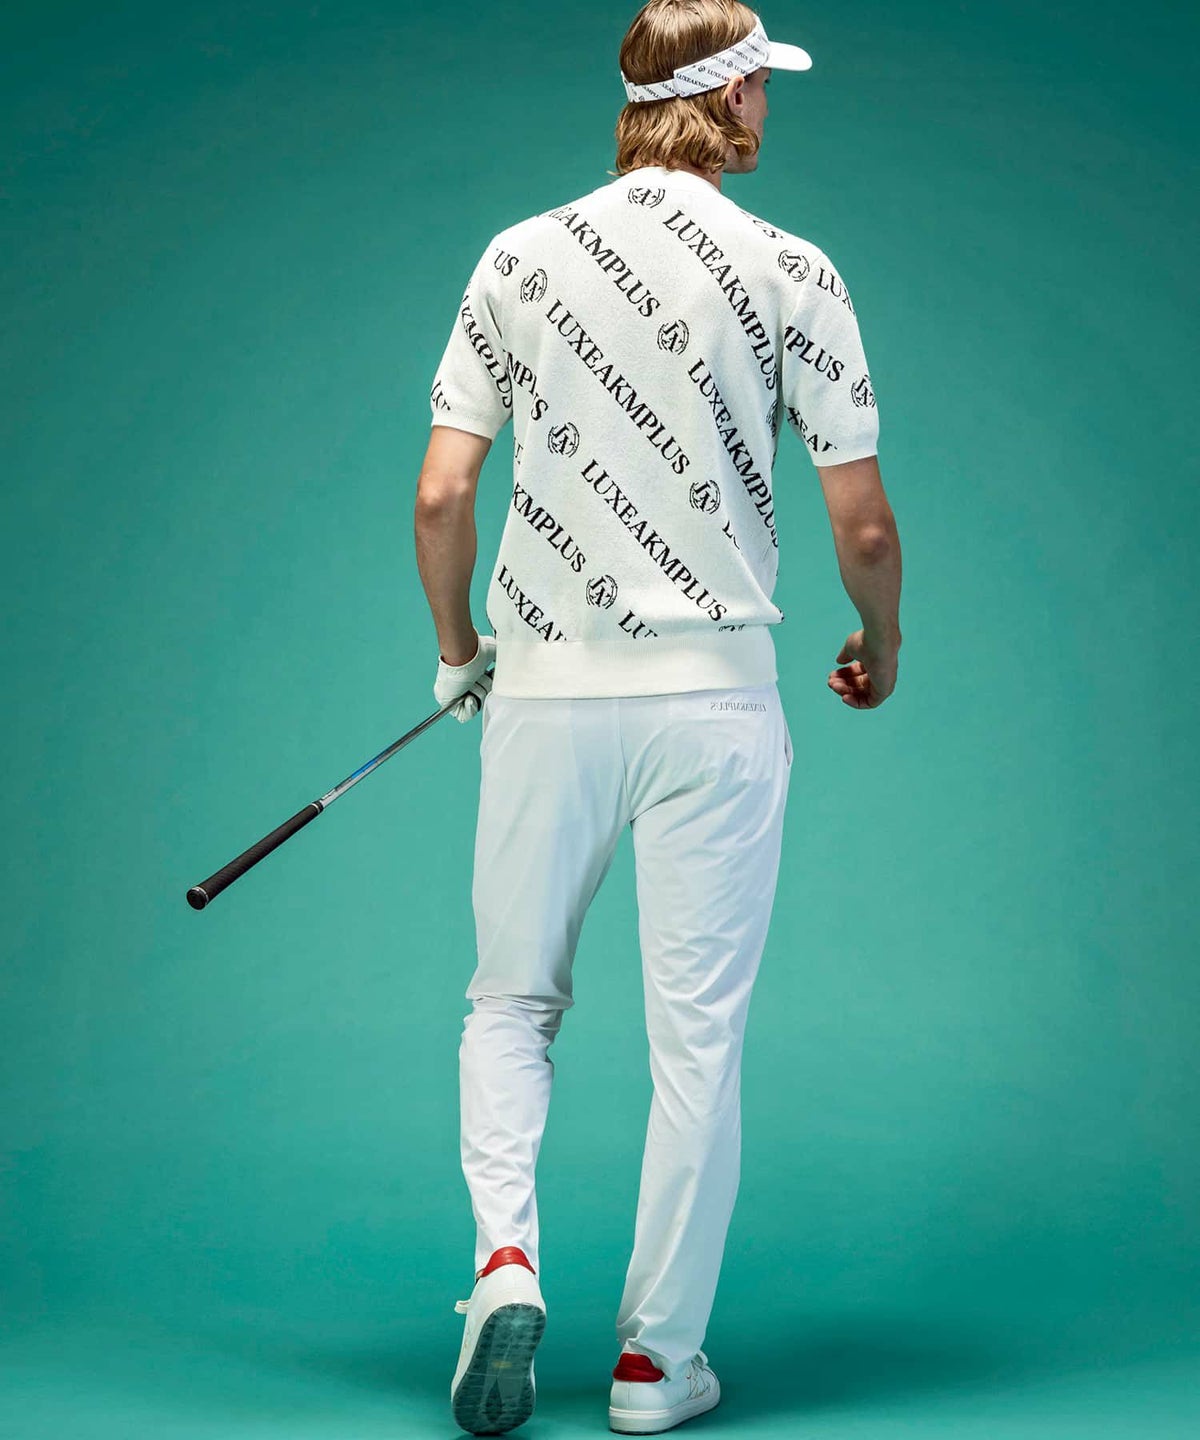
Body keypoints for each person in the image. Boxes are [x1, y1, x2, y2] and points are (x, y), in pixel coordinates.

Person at [414, 2, 903, 1433]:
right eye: (765, 88)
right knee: (698, 1043)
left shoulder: (518, 255)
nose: (770, 110)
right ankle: (654, 1365)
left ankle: (506, 1264)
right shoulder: (794, 269)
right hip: (717, 706)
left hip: (546, 695)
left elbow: (444, 494)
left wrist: (458, 650)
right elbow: (864, 527)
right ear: (734, 99)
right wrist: (881, 639)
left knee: (511, 1001)